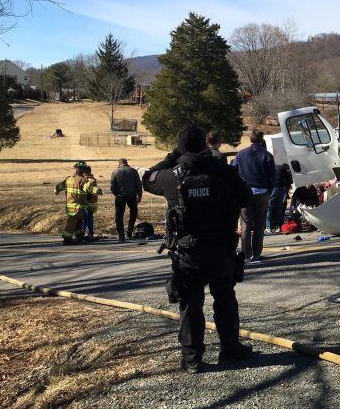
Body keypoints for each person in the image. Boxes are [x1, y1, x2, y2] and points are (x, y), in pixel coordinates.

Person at [143, 126, 253, 374]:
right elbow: (246, 198)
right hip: (221, 250)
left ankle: (192, 359)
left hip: (188, 253)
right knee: (224, 298)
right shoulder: (224, 172)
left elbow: (147, 178)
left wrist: (173, 157)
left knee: (191, 304)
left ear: (180, 149)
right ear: (205, 145)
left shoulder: (171, 176)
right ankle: (230, 350)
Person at [232, 129, 275, 262]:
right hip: (262, 191)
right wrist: (269, 190)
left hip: (245, 191)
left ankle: (246, 254)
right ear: (261, 140)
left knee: (246, 223)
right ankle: (257, 253)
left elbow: (234, 171)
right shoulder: (267, 155)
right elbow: (272, 176)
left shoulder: (240, 154)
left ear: (250, 139)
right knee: (259, 224)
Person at [55, 161, 89, 244]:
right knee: (72, 222)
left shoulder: (68, 179)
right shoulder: (83, 181)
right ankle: (67, 238)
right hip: (77, 207)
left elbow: (59, 186)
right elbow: (90, 189)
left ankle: (79, 237)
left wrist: (56, 190)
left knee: (78, 222)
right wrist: (97, 190)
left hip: (70, 206)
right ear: (84, 170)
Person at [110, 158, 143, 242]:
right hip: (132, 196)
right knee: (133, 213)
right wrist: (139, 196)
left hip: (120, 196)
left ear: (119, 164)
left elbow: (112, 185)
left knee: (119, 216)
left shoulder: (115, 172)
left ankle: (121, 236)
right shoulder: (133, 171)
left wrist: (115, 193)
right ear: (126, 163)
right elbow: (139, 184)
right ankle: (129, 232)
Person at [265, 163, 292, 235]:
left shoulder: (269, 168)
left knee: (269, 208)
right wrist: (287, 187)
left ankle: (268, 228)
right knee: (278, 208)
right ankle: (281, 227)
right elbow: (289, 177)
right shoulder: (281, 168)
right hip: (282, 189)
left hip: (274, 188)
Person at [81, 165, 103, 241]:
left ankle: (88, 234)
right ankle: (86, 233)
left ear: (84, 172)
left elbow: (88, 191)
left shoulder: (89, 180)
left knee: (87, 219)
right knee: (86, 219)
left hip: (88, 203)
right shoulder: (89, 179)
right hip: (88, 203)